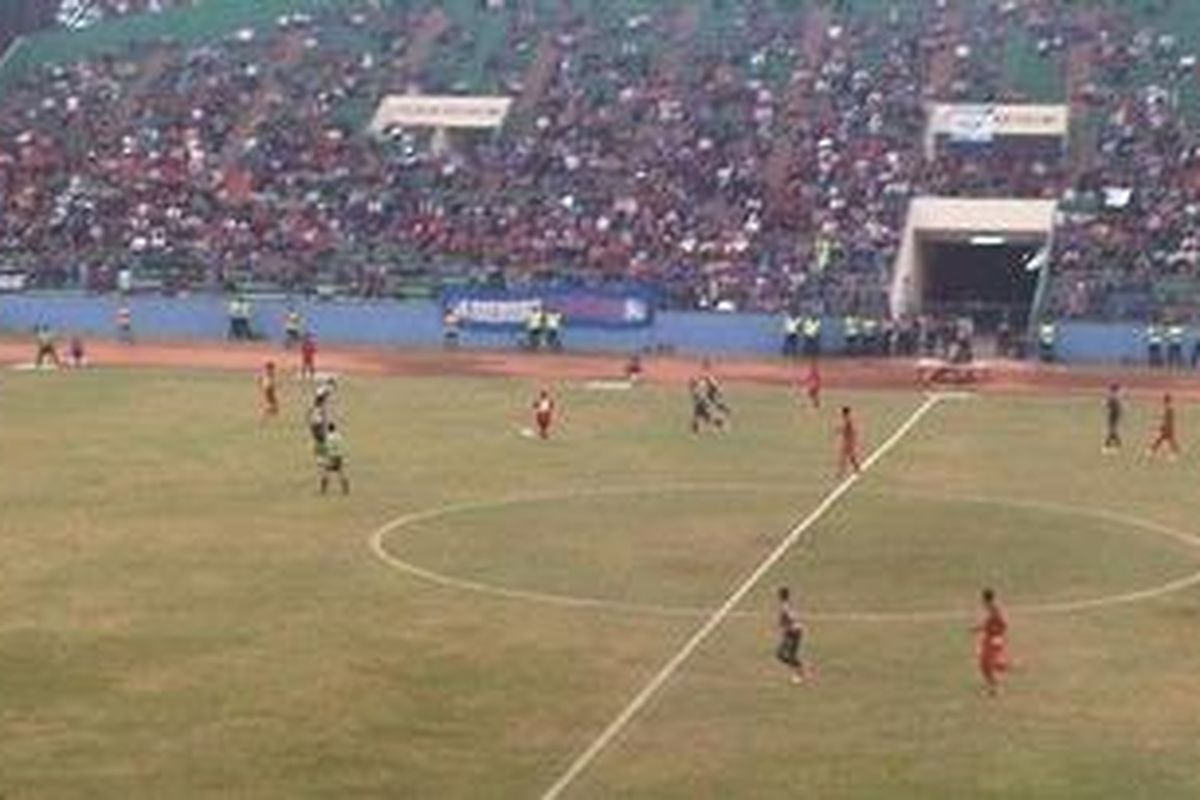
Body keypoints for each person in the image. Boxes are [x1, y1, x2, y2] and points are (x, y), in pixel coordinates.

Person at [974, 588, 1009, 696]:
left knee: (987, 664)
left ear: (986, 598)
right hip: (990, 638)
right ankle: (993, 687)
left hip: (994, 639)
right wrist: (978, 628)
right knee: (986, 664)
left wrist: (995, 632)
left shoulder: (995, 608)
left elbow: (1003, 623)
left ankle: (996, 688)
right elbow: (988, 623)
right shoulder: (990, 608)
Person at [775, 587, 808, 685]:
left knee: (784, 654)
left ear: (780, 596)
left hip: (794, 633)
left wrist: (789, 625)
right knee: (782, 654)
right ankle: (799, 670)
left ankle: (799, 673)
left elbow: (792, 618)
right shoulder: (785, 605)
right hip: (791, 632)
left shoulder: (786, 607)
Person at [316, 422, 350, 495]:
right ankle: (345, 488)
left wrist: (322, 458)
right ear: (334, 428)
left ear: (328, 429)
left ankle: (323, 490)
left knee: (325, 473)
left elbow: (326, 448)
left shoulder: (328, 437)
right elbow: (342, 446)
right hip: (339, 457)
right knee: (341, 473)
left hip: (331, 457)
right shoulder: (339, 436)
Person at [1149, 392, 1180, 458]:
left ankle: (1151, 451)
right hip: (1168, 427)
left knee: (1161, 440)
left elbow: (1168, 419)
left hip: (1167, 428)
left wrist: (1164, 426)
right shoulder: (1168, 408)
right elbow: (1168, 419)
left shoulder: (1168, 409)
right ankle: (1176, 451)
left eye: (1164, 400)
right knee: (1166, 440)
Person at [837, 405, 861, 477]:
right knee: (851, 456)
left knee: (843, 457)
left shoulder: (847, 420)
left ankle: (841, 472)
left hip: (848, 441)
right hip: (849, 440)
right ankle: (857, 468)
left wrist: (839, 430)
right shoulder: (848, 419)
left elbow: (847, 429)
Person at [1103, 383, 1122, 453]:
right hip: (1114, 415)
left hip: (1113, 415)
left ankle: (1107, 445)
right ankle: (1116, 444)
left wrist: (1106, 404)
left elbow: (1108, 405)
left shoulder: (1113, 397)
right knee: (1112, 430)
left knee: (1112, 430)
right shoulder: (1115, 397)